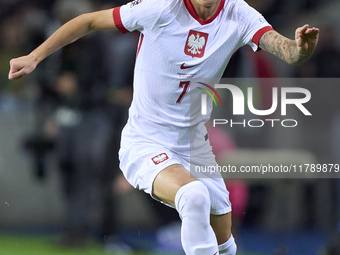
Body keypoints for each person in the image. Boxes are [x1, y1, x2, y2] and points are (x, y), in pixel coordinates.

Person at [8, 0, 319, 254]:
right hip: (146, 142)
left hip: (196, 146)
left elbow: (288, 52)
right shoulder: (159, 8)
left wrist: (301, 49)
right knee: (194, 195)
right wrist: (35, 57)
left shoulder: (239, 13)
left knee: (225, 244)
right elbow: (88, 21)